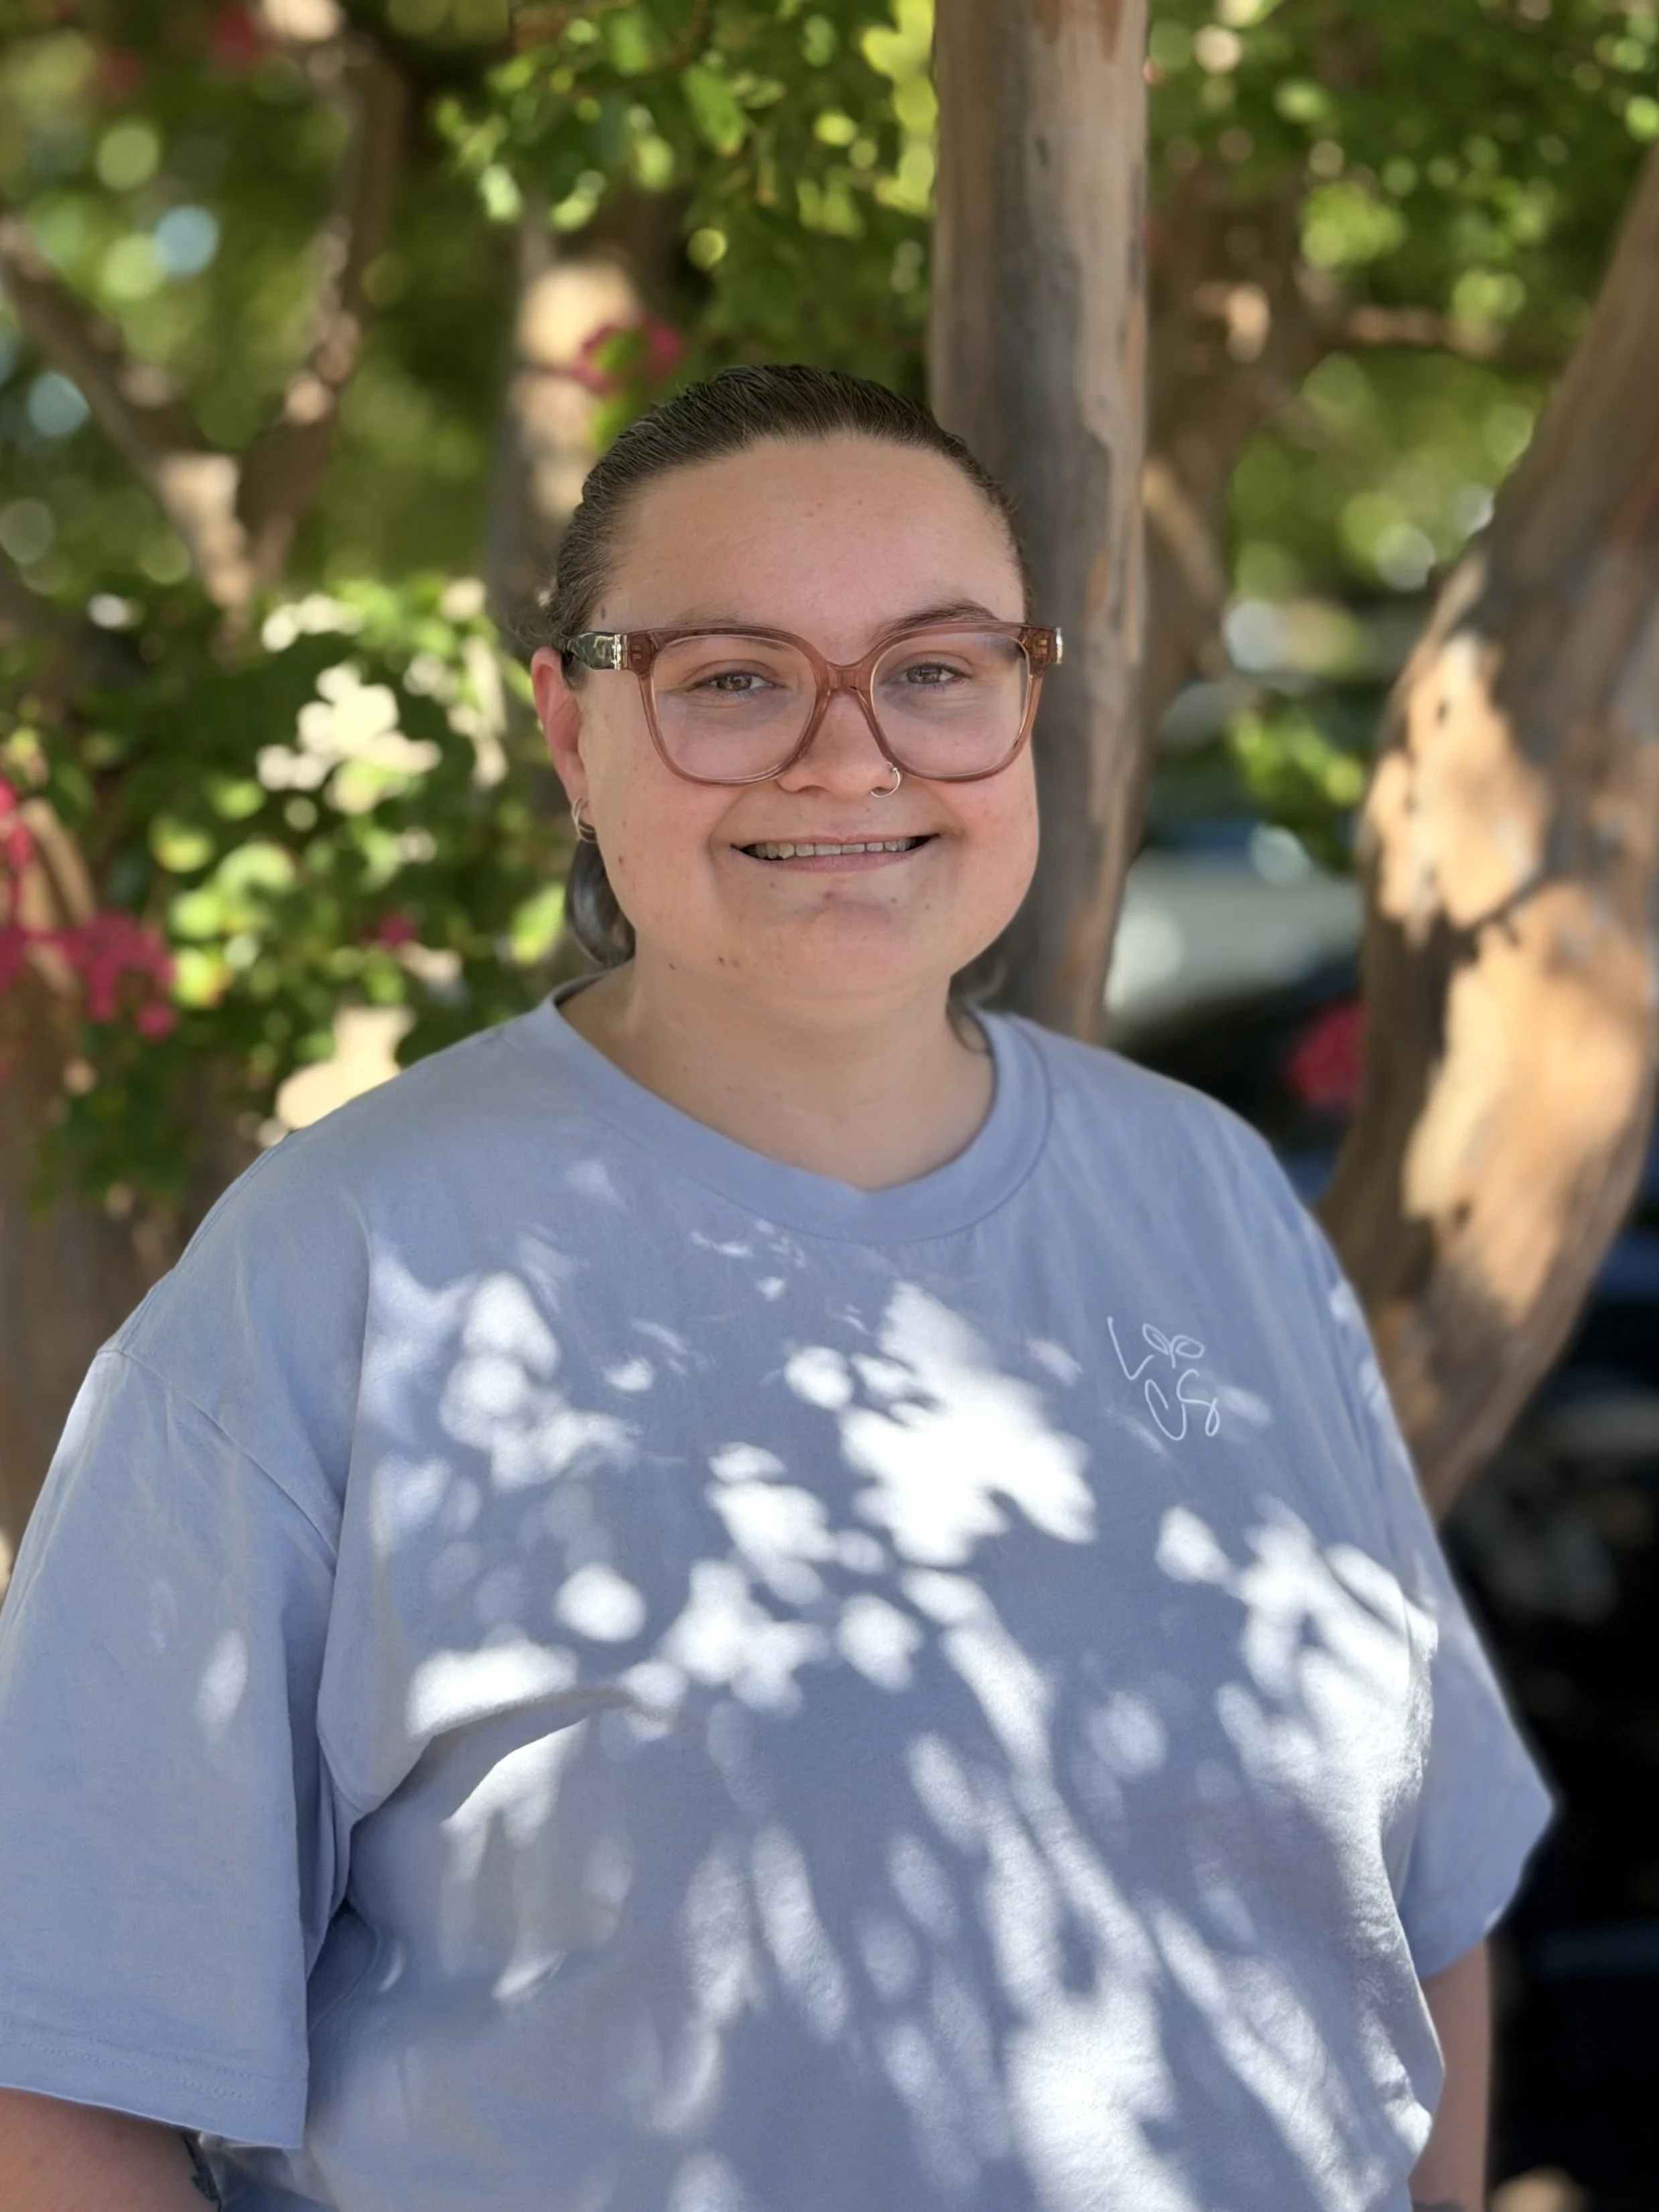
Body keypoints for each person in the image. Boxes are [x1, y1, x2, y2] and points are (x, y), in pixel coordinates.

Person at [0, 365, 1548, 2212]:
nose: (849, 753)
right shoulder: (337, 1276)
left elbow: (1422, 1910)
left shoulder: (1205, 1194)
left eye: (935, 668)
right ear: (571, 737)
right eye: (730, 676)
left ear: (1024, 705)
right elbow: (64, 2081)